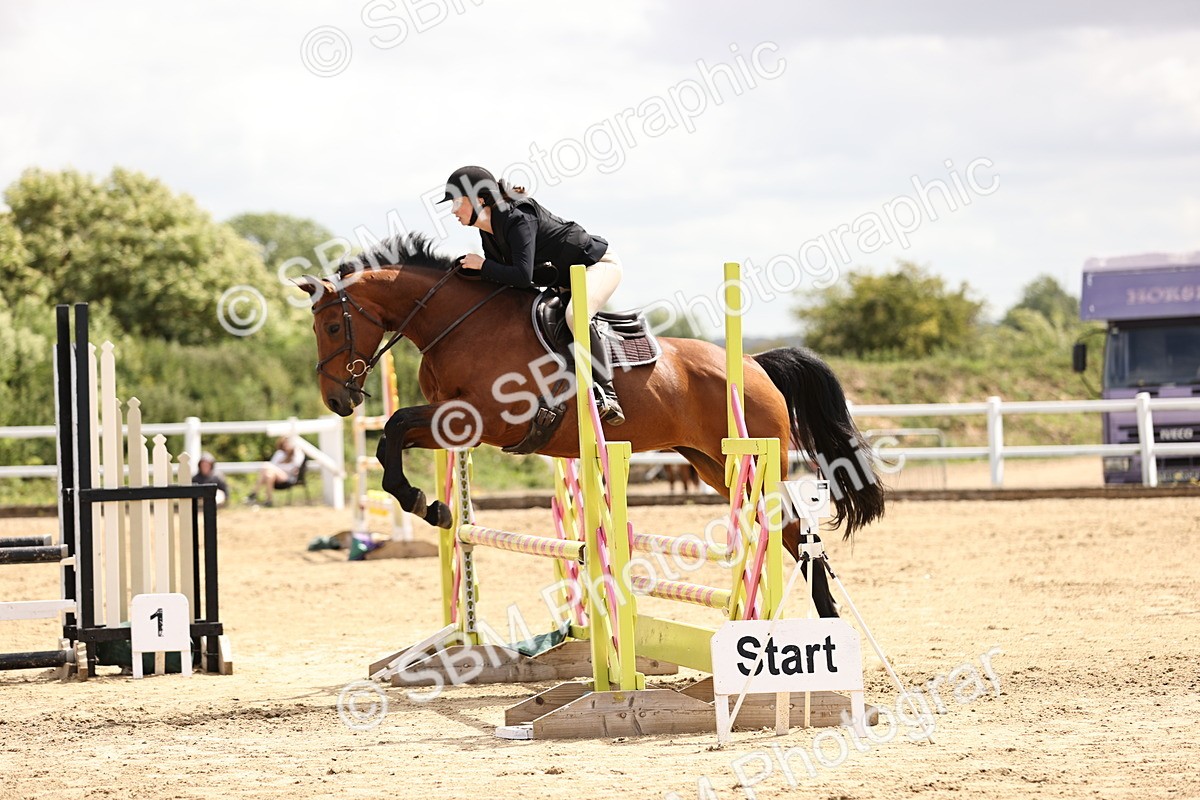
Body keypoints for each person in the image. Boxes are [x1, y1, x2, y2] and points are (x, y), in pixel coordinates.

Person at [439, 165, 626, 425]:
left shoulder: (518, 217)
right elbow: (506, 283)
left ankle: (607, 394)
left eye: (457, 202)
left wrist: (483, 266)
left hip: (597, 266)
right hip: (563, 280)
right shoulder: (488, 232)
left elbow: (522, 276)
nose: (453, 211)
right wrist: (466, 275)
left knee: (574, 316)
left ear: (479, 199)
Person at [246, 437, 305, 507]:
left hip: (288, 477)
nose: (286, 446)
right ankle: (269, 500)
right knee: (269, 475)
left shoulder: (297, 453)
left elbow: (295, 467)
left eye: (287, 444)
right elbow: (272, 466)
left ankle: (254, 493)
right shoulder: (280, 454)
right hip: (276, 477)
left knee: (266, 465)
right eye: (284, 444)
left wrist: (280, 467)